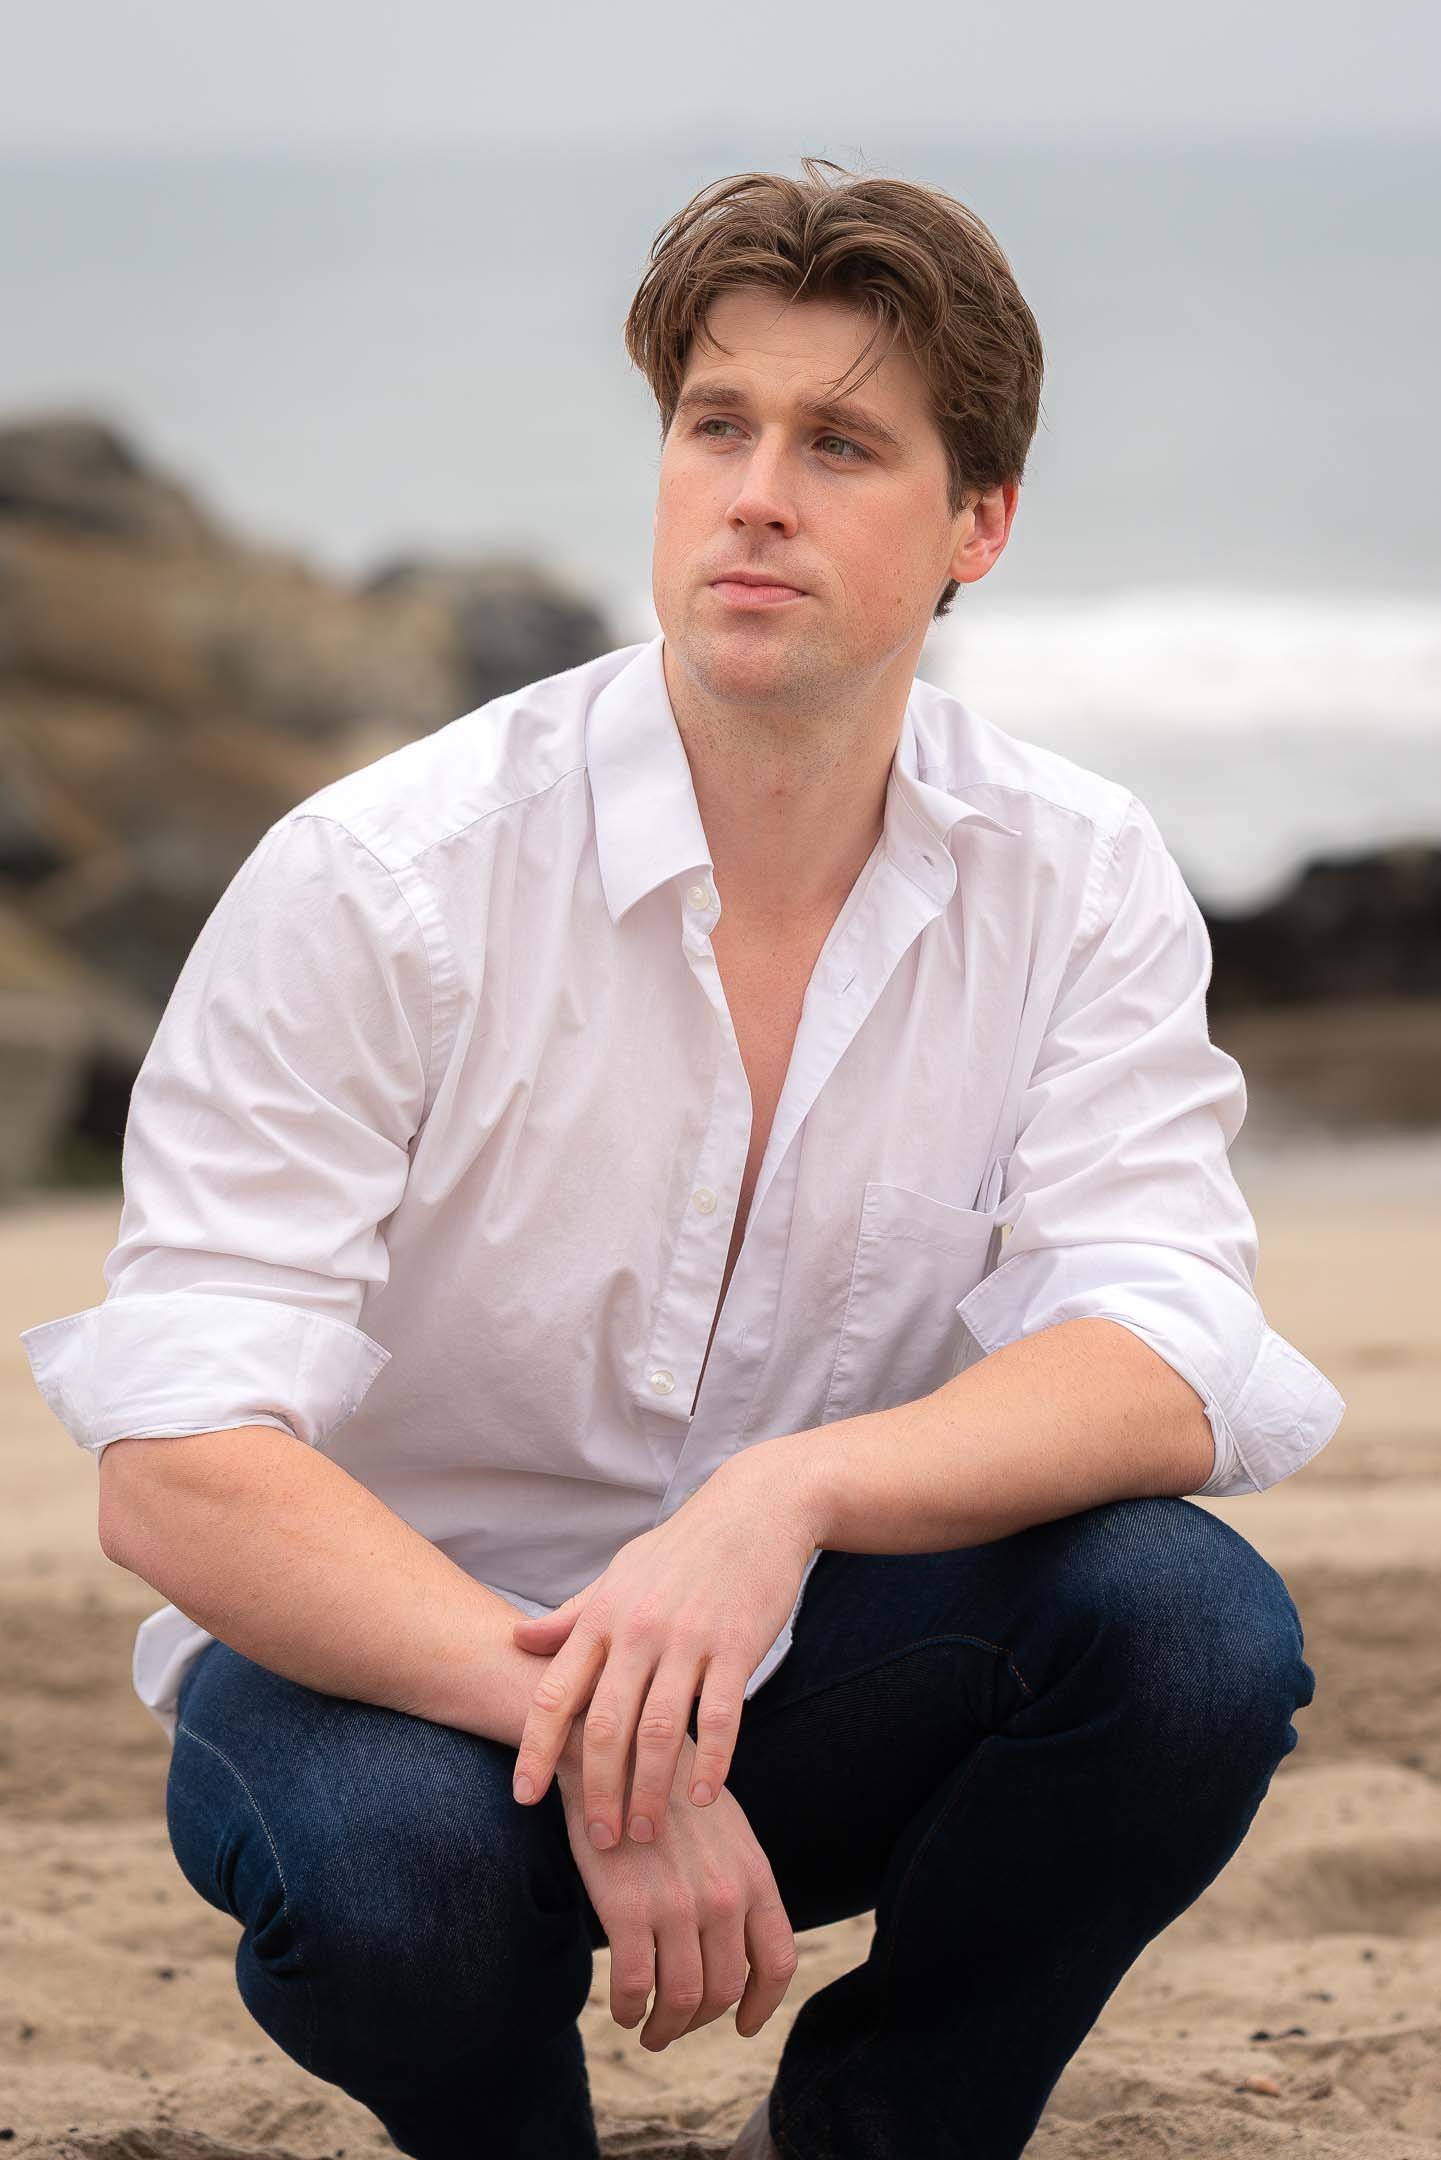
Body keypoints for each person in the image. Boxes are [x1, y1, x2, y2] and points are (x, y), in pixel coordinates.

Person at [20, 157, 1343, 2160]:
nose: (752, 492)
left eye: (838, 445)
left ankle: (886, 2128)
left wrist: (786, 1499)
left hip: (798, 1664)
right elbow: (185, 1471)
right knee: (392, 1888)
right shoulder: (383, 884)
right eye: (714, 426)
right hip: (384, 1681)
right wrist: (608, 1753)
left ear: (976, 520)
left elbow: (1160, 1342)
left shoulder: (1071, 878)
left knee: (1190, 1634)